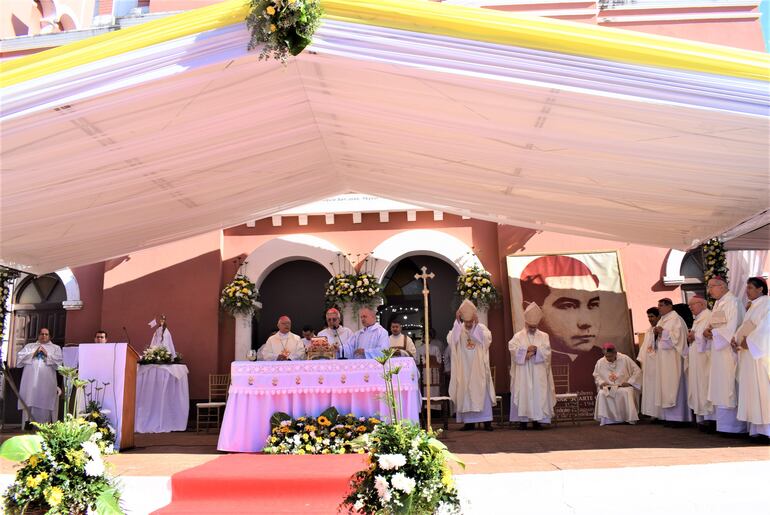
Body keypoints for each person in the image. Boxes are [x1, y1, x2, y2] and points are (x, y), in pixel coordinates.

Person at [519, 255, 604, 392]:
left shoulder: (603, 359)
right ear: (534, 309)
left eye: (593, 305)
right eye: (567, 306)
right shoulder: (532, 355)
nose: (586, 322)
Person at [704, 276, 747, 435]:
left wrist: (713, 332)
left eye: (711, 287)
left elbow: (732, 328)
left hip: (728, 352)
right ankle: (722, 426)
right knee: (720, 385)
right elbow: (715, 325)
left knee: (729, 386)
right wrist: (708, 331)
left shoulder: (733, 302)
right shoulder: (718, 304)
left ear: (721, 286)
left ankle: (734, 427)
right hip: (718, 351)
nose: (709, 291)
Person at [447, 299, 496, 431]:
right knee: (465, 392)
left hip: (478, 367)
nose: (468, 324)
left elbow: (485, 340)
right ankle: (468, 423)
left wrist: (476, 326)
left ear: (474, 319)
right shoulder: (458, 328)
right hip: (464, 368)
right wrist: (457, 322)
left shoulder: (482, 328)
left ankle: (487, 422)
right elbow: (452, 340)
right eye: (466, 322)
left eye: (470, 322)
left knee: (482, 392)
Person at [508, 302, 556, 430]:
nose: (533, 328)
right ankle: (522, 421)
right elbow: (512, 348)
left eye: (535, 326)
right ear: (526, 323)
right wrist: (525, 352)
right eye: (530, 326)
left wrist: (535, 350)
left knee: (538, 394)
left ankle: (537, 421)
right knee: (524, 393)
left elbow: (547, 351)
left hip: (538, 370)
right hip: (523, 371)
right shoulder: (518, 336)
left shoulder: (544, 336)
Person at [733, 277, 770, 440]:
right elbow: (744, 326)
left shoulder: (767, 304)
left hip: (760, 356)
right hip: (748, 354)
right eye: (746, 288)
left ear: (761, 289)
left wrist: (750, 341)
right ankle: (756, 429)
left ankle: (767, 431)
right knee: (752, 391)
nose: (747, 291)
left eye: (750, 288)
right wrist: (736, 339)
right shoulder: (753, 306)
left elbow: (765, 329)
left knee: (762, 391)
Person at [653, 298, 690, 425]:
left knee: (675, 385)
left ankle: (679, 418)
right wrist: (657, 333)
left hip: (674, 358)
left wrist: (663, 333)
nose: (659, 308)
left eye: (661, 305)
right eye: (658, 305)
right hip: (664, 359)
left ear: (670, 306)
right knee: (666, 386)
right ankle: (669, 417)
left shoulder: (676, 319)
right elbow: (660, 340)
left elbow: (678, 338)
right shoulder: (663, 320)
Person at [17, 328, 63, 426]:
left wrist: (47, 354)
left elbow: (59, 363)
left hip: (47, 382)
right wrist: (34, 353)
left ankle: (44, 427)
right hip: (30, 382)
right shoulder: (30, 346)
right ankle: (27, 426)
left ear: (50, 336)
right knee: (29, 400)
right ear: (38, 335)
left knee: (45, 403)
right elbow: (19, 360)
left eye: (46, 334)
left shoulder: (55, 348)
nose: (44, 336)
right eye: (42, 334)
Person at [593, 343, 641, 425]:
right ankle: (607, 419)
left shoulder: (625, 358)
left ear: (615, 353)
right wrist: (601, 382)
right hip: (608, 387)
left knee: (626, 392)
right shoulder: (600, 362)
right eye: (606, 357)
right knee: (601, 394)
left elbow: (637, 371)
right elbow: (596, 375)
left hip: (623, 386)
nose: (608, 359)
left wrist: (629, 382)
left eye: (610, 356)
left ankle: (628, 418)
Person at [685, 295, 714, 430]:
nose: (690, 307)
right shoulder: (697, 319)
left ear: (702, 304)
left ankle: (710, 418)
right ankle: (702, 418)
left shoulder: (708, 316)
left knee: (705, 386)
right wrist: (692, 335)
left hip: (704, 359)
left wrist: (694, 335)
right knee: (698, 386)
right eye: (689, 305)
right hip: (697, 358)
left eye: (693, 304)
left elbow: (708, 335)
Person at [638, 307, 662, 420]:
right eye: (648, 317)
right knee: (651, 390)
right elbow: (644, 349)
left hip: (658, 365)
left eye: (652, 316)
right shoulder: (649, 330)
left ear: (658, 316)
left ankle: (660, 414)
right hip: (649, 366)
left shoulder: (660, 329)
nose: (650, 319)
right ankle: (653, 414)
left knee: (658, 389)